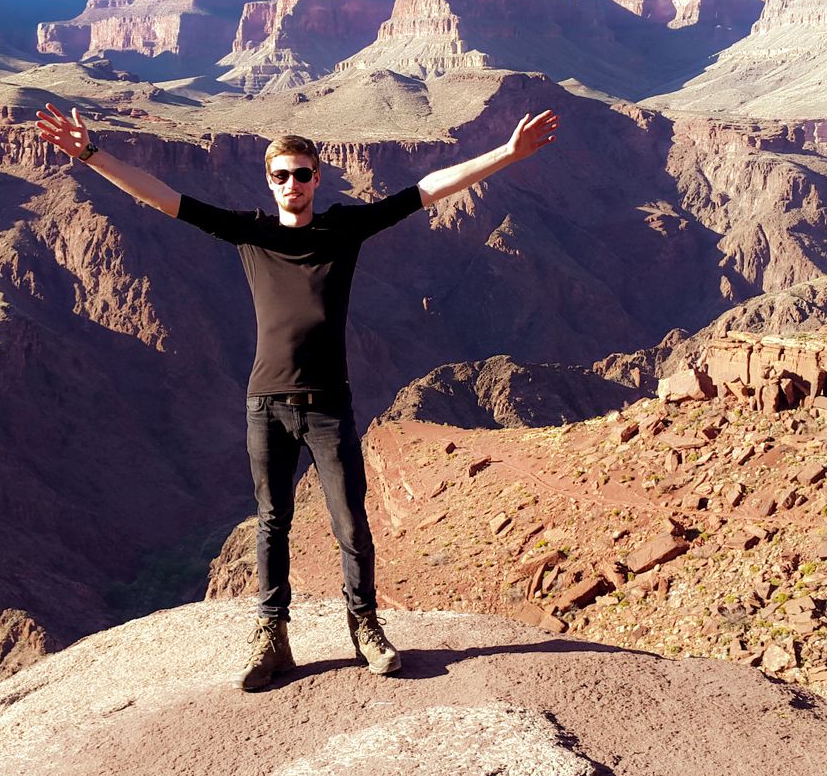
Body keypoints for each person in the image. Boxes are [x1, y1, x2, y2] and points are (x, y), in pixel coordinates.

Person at [33, 102, 559, 691]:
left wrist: (508, 155)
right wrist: (89, 153)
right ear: (269, 181)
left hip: (329, 406)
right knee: (272, 522)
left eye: (302, 174)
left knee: (351, 524)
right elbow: (164, 198)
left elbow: (426, 189)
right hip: (267, 404)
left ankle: (365, 627)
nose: (293, 184)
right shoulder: (250, 232)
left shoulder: (343, 228)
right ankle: (273, 635)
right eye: (281, 175)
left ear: (318, 178)